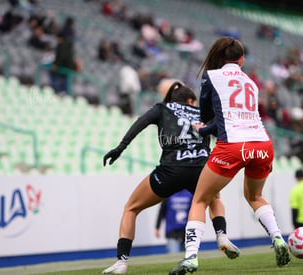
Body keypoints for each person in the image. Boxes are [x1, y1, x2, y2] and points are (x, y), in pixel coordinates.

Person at [170, 37, 291, 275]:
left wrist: (202, 128)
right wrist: (208, 127)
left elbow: (210, 118)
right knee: (255, 195)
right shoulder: (251, 82)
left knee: (200, 200)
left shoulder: (211, 77)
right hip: (263, 145)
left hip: (233, 145)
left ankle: (191, 258)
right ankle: (278, 238)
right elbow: (236, 117)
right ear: (242, 59)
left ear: (218, 56)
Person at [102, 82, 240, 274]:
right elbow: (227, 133)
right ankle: (222, 235)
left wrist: (120, 148)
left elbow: (139, 124)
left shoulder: (162, 108)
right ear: (191, 100)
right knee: (214, 198)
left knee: (131, 208)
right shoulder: (202, 112)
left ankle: (121, 262)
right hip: (201, 168)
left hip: (171, 170)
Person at [155, 190, 192, 254]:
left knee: (188, 257)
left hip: (186, 232)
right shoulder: (169, 193)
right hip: (172, 231)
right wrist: (157, 227)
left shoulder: (189, 194)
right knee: (174, 255)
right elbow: (162, 211)